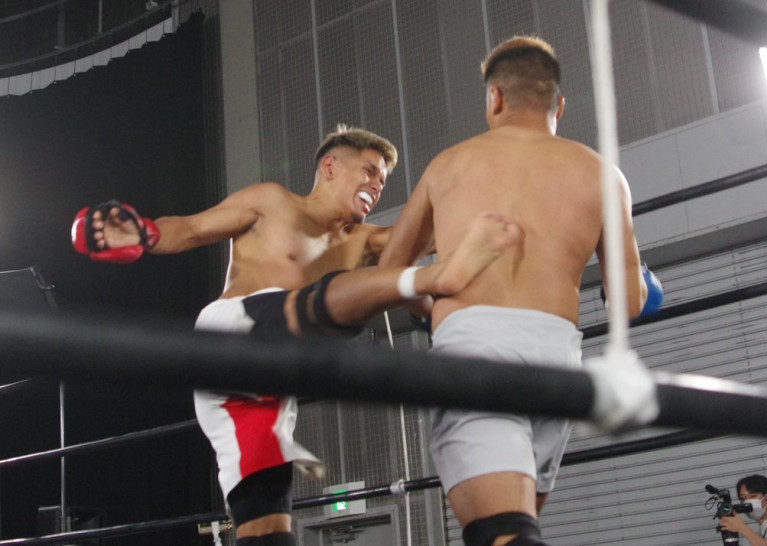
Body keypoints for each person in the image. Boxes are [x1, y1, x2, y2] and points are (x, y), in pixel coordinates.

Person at [72, 124, 522, 546]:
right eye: (369, 171)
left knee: (266, 526)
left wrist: (515, 207)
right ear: (330, 166)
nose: (376, 185)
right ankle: (429, 281)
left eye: (382, 180)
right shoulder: (271, 202)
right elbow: (190, 228)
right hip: (231, 336)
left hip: (263, 394)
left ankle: (426, 290)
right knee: (341, 292)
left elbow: (436, 233)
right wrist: (144, 233)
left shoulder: (363, 240)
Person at [378, 36, 662, 546]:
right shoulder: (604, 175)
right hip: (557, 361)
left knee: (503, 533)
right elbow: (630, 303)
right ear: (559, 105)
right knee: (512, 527)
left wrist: (428, 307)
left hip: (475, 350)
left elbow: (390, 270)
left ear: (495, 98)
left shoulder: (450, 164)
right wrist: (643, 278)